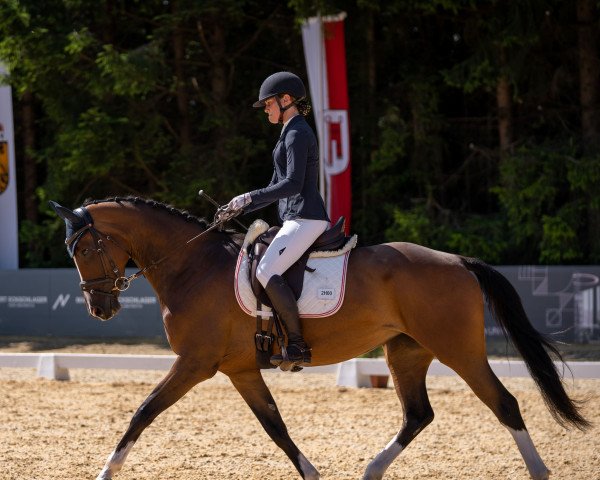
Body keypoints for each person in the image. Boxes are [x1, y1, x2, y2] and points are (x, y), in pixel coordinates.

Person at [220, 71, 330, 368]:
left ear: (286, 100)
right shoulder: (287, 134)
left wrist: (248, 197)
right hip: (294, 218)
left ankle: (297, 346)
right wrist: (239, 207)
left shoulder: (297, 133)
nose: (266, 109)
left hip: (306, 217)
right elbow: (273, 188)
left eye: (268, 103)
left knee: (266, 270)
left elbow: (293, 184)